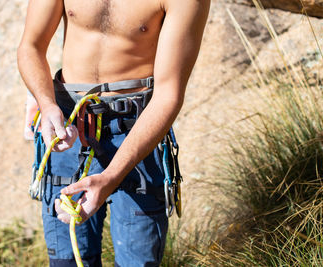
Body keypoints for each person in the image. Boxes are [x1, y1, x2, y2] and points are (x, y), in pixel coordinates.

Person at [17, 0, 210, 266]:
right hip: (70, 125)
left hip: (136, 133)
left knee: (137, 261)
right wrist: (47, 104)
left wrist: (111, 176)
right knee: (67, 261)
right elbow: (31, 46)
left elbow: (169, 95)